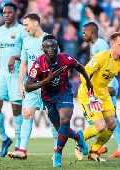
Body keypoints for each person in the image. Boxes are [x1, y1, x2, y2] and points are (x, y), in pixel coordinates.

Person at [25, 34, 93, 167]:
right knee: (61, 129)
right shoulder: (38, 65)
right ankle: (78, 137)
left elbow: (79, 66)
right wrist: (47, 80)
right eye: (47, 46)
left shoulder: (65, 59)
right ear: (42, 48)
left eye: (53, 46)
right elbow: (27, 87)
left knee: (65, 120)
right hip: (48, 98)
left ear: (57, 47)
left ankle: (58, 152)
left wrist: (88, 81)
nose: (50, 49)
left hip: (64, 93)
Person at [7, 13, 58, 160]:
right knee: (27, 114)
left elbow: (57, 62)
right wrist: (20, 84)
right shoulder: (26, 41)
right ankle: (22, 149)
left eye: (26, 24)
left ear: (35, 23)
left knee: (52, 118)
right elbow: (23, 64)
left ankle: (57, 151)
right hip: (31, 85)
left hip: (48, 86)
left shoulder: (50, 40)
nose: (25, 28)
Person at [0, 2, 28, 157]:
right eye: (4, 12)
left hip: (17, 75)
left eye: (9, 12)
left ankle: (18, 145)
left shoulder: (22, 31)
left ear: (15, 14)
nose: (6, 15)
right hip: (1, 75)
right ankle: (4, 139)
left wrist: (14, 57)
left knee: (16, 110)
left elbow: (27, 52)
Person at [77, 32, 120, 161]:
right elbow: (83, 73)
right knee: (100, 126)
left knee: (112, 125)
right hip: (88, 94)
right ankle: (79, 139)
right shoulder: (101, 57)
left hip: (104, 94)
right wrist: (90, 94)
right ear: (112, 44)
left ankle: (94, 151)